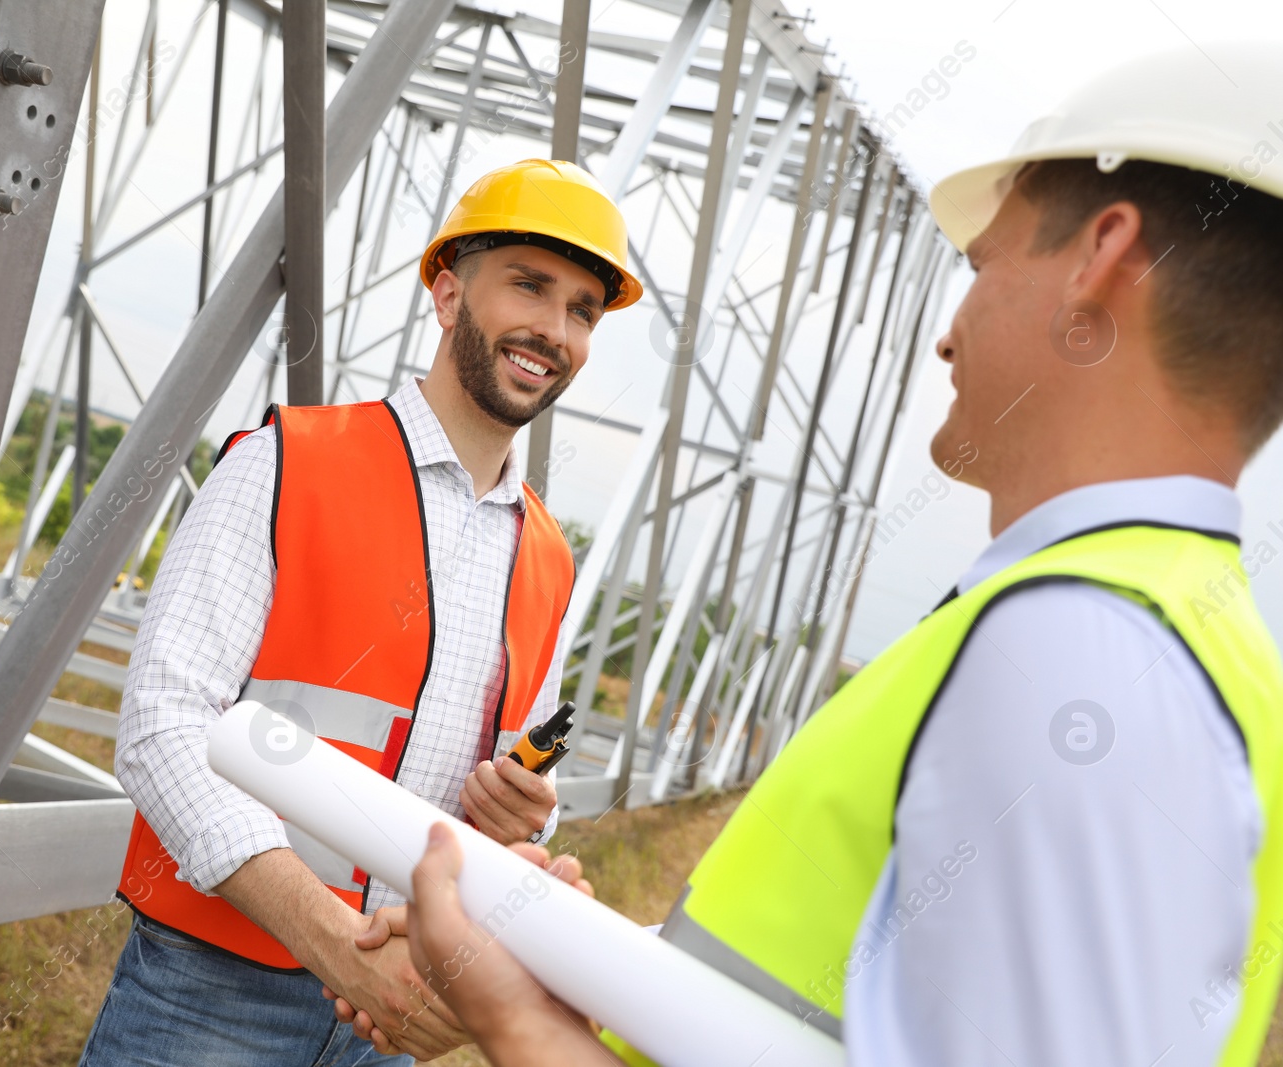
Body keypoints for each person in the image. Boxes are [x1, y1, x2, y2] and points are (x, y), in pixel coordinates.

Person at [349, 41, 1283, 1067]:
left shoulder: (1082, 653)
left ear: (1099, 259)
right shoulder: (1159, 628)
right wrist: (544, 951)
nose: (947, 335)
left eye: (980, 267)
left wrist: (519, 1024)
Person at [77, 158, 643, 1066]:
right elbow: (162, 726)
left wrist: (516, 815)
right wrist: (330, 941)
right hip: (215, 994)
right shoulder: (284, 462)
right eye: (529, 286)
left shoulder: (547, 556)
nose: (554, 328)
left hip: (394, 1015)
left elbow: (491, 789)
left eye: (582, 308)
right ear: (450, 294)